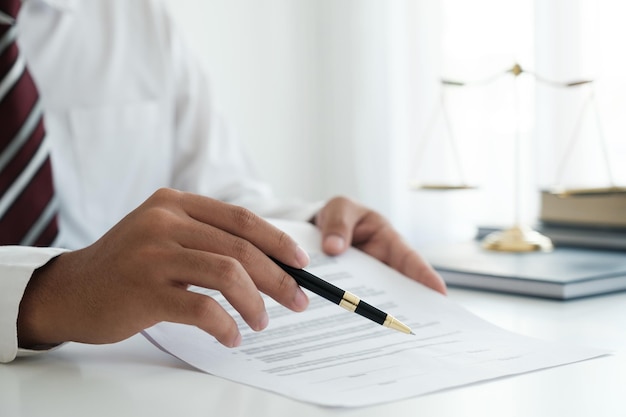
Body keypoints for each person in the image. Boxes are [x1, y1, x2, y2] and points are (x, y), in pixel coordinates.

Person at [0, 0, 446, 364]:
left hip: (136, 379)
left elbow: (222, 197)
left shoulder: (134, 17)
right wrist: (46, 294)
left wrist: (315, 230)